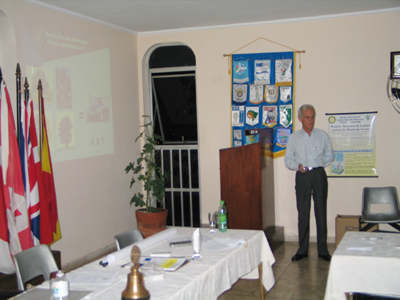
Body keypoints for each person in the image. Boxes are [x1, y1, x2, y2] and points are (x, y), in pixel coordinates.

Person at [284, 104, 334, 262]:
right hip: (302, 176)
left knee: (321, 212)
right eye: (307, 117)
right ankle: (303, 249)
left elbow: (329, 155)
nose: (311, 120)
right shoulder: (294, 137)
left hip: (318, 174)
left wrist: (318, 165)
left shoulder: (322, 135)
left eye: (313, 116)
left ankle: (323, 250)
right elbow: (288, 159)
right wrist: (297, 166)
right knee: (303, 213)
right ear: (300, 119)